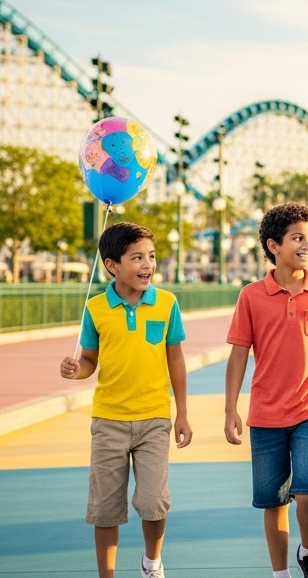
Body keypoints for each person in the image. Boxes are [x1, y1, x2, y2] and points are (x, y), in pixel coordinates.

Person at [224, 203, 308, 578]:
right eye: (297, 238)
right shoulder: (251, 296)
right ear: (273, 245)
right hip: (265, 414)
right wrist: (231, 409)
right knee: (274, 501)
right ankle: (280, 573)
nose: (307, 245)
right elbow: (238, 356)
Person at [60, 222, 192, 578]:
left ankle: (152, 563)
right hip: (108, 421)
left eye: (150, 256)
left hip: (154, 419)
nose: (147, 264)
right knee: (105, 507)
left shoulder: (167, 303)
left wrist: (182, 413)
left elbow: (175, 358)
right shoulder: (96, 308)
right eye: (137, 257)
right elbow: (89, 360)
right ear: (112, 265)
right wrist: (77, 370)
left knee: (153, 502)